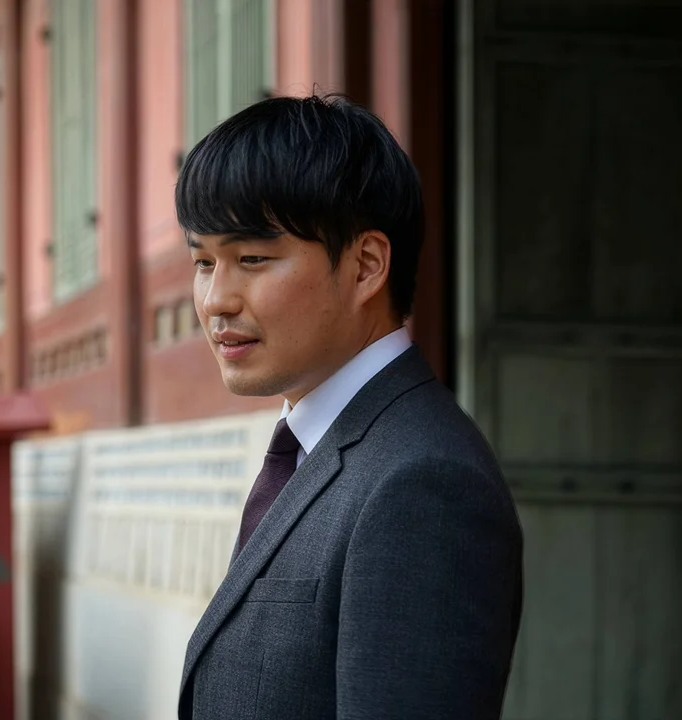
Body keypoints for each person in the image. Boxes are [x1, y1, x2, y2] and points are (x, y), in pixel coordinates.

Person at [174, 93, 523, 720]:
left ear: (365, 266)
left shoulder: (422, 482)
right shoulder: (322, 446)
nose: (216, 299)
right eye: (204, 262)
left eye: (252, 259)